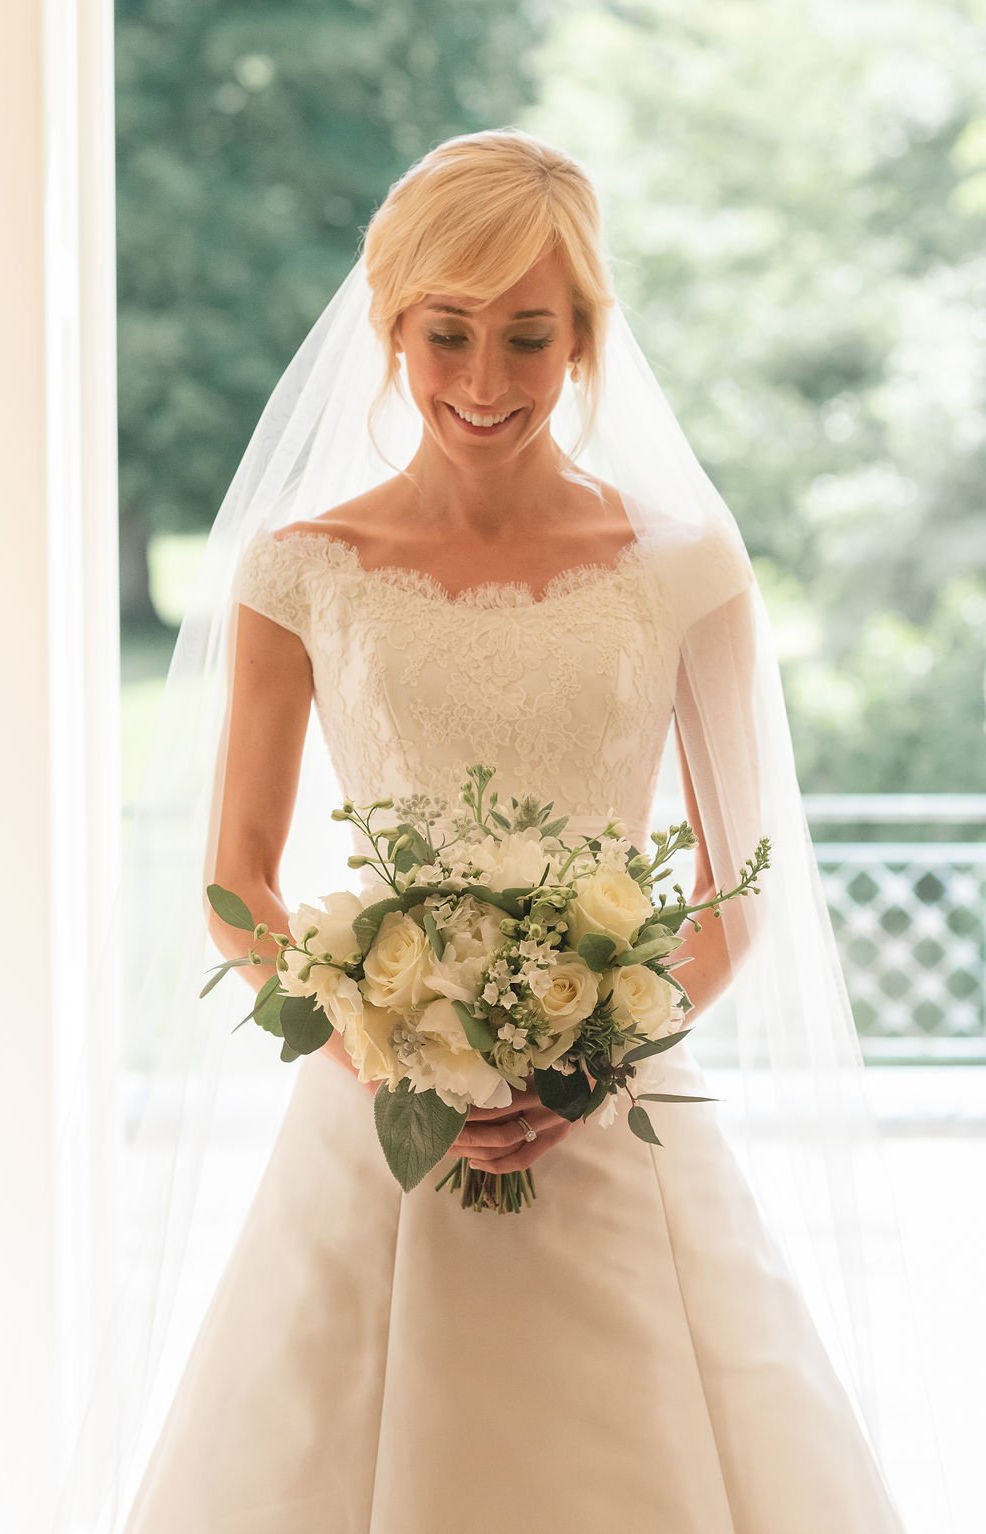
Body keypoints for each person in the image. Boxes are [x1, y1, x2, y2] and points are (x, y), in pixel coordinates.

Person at [78, 129, 949, 1533]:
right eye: (449, 333)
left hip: (614, 1122)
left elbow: (739, 882)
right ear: (392, 328)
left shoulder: (685, 566)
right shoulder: (298, 572)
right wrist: (382, 1052)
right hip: (374, 1127)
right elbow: (236, 881)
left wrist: (593, 1067)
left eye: (529, 338)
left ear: (586, 339)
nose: (485, 383)